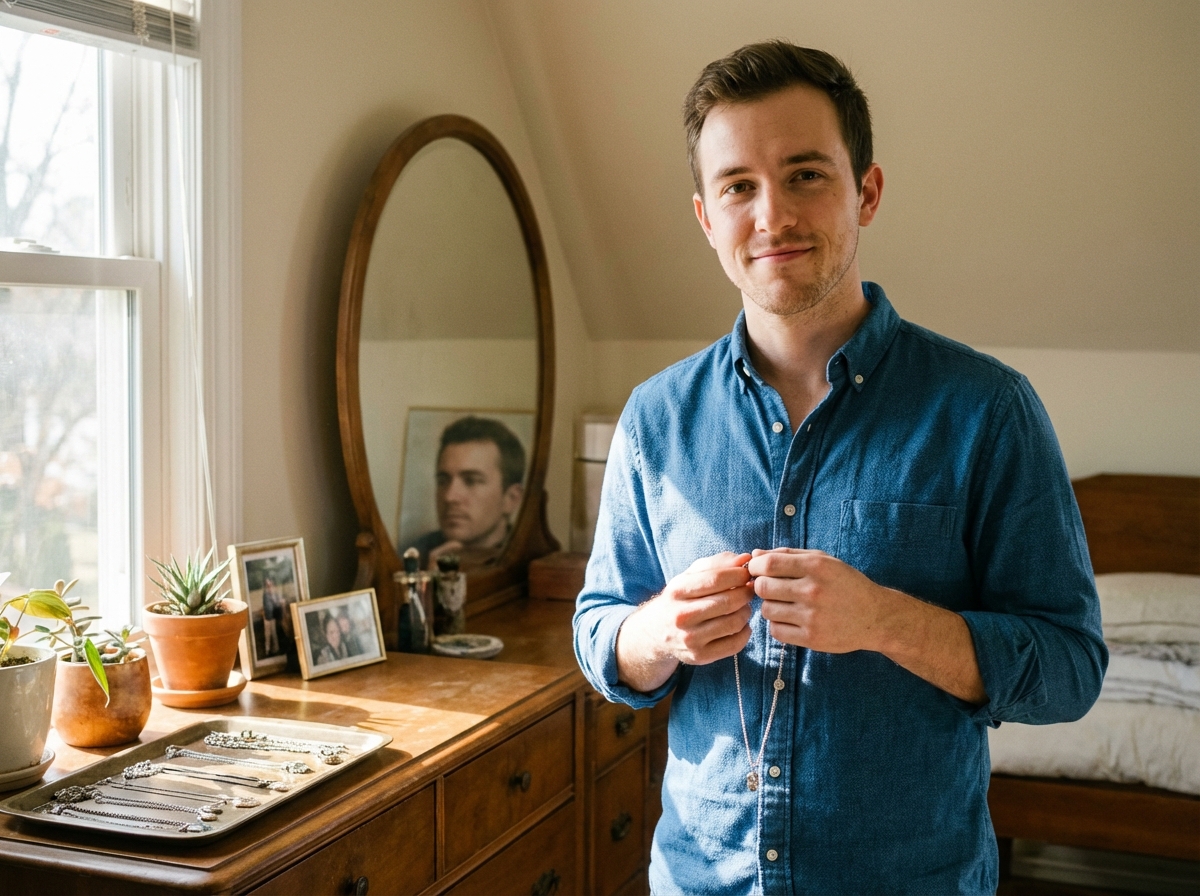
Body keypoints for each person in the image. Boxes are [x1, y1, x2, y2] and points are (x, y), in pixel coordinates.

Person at [573, 41, 1106, 895]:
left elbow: (1070, 668)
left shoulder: (988, 411)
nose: (772, 215)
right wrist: (657, 633)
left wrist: (886, 620)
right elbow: (599, 630)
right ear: (707, 216)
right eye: (739, 185)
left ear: (867, 191)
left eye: (806, 175)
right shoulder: (653, 420)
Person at [404, 416, 526, 569]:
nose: (449, 497)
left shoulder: (530, 565)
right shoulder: (411, 556)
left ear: (511, 499)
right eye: (443, 481)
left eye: (471, 481)